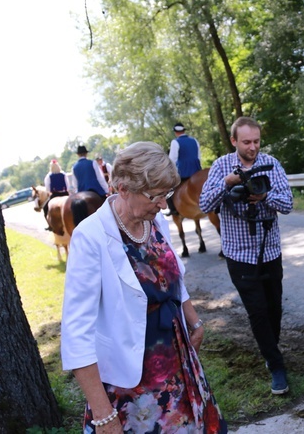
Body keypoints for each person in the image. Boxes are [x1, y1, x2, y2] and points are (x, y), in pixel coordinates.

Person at [61, 141, 227, 433]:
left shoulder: (156, 219)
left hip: (179, 358)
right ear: (123, 189)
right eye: (155, 196)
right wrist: (103, 414)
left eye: (167, 195)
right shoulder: (91, 237)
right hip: (133, 376)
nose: (164, 204)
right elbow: (76, 334)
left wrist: (194, 321)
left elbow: (174, 276)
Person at [199, 117, 294, 395]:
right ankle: (277, 366)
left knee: (274, 307)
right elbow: (205, 203)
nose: (252, 147)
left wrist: (264, 197)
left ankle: (269, 350)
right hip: (239, 253)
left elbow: (287, 204)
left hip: (270, 250)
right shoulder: (220, 167)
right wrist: (227, 184)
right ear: (234, 141)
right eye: (246, 142)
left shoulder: (271, 164)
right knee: (257, 311)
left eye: (256, 141)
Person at [165, 122, 202, 216]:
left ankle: (173, 209)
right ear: (184, 130)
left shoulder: (175, 142)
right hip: (196, 171)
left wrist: (170, 171)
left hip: (183, 171)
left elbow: (172, 159)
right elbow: (199, 157)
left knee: (168, 188)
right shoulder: (194, 140)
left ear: (175, 132)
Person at [42, 159, 70, 224]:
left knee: (45, 208)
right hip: (65, 194)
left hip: (55, 195)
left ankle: (50, 225)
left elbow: (48, 189)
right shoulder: (63, 174)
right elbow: (68, 186)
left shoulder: (49, 176)